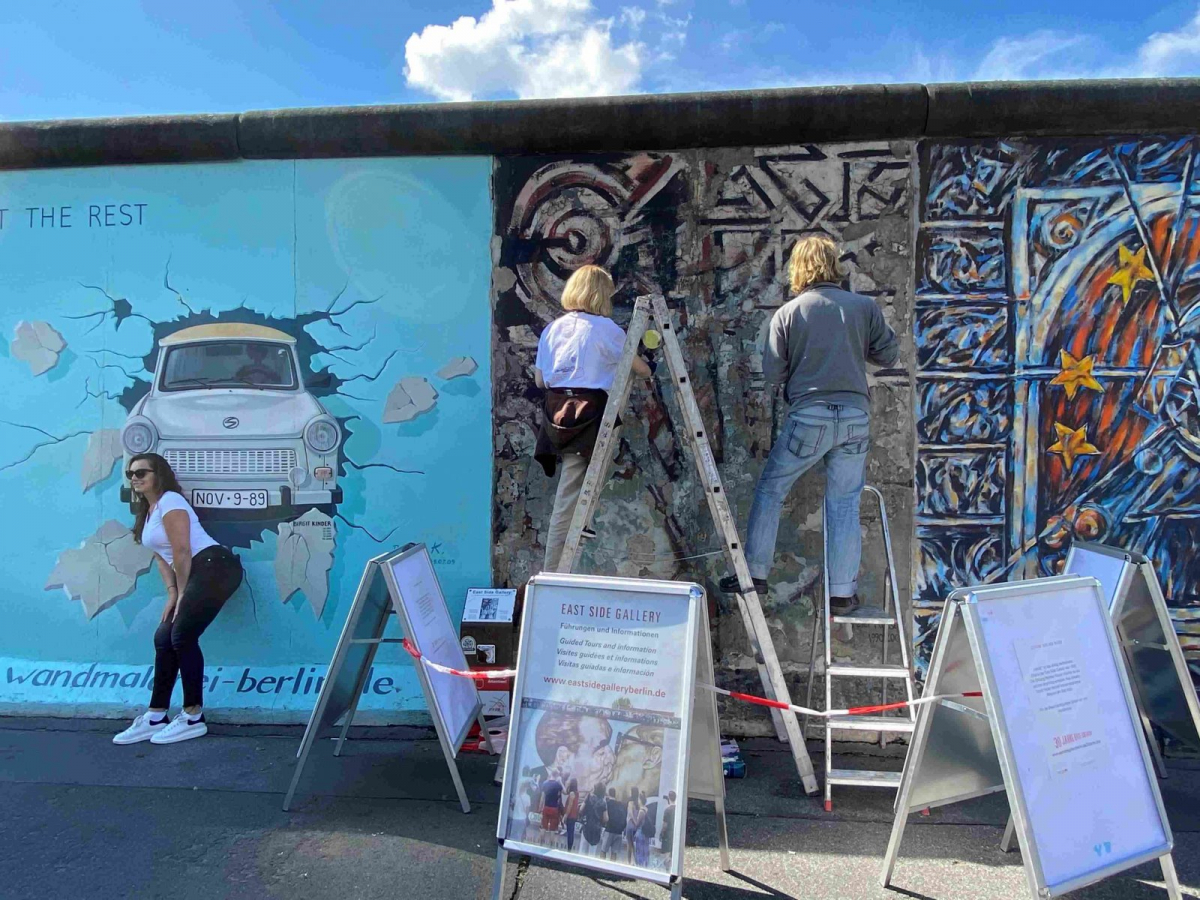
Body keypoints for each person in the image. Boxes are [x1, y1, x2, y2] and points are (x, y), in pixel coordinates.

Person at [721, 235, 899, 614]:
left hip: (810, 416)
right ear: (834, 264)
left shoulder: (789, 313)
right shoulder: (863, 307)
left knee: (771, 489)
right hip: (854, 417)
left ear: (798, 268)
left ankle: (754, 573)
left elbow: (773, 373)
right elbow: (887, 354)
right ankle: (842, 593)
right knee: (845, 503)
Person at [113, 453, 244, 745]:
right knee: (164, 637)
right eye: (130, 473)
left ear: (159, 475)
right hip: (196, 572)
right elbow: (163, 557)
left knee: (182, 635)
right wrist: (172, 593)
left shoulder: (171, 501)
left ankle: (193, 716)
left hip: (215, 566)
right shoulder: (148, 512)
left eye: (141, 472)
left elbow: (182, 550)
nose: (134, 478)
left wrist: (183, 591)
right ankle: (156, 715)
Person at [533, 265, 653, 571]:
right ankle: (553, 573)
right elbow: (641, 369)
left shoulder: (552, 329)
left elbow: (540, 381)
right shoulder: (606, 329)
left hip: (556, 412)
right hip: (589, 415)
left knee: (575, 485)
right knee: (569, 494)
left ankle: (580, 526)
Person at [579, 781, 607, 856]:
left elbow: (581, 809)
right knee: (592, 853)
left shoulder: (589, 797)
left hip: (587, 826)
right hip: (596, 829)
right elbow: (606, 818)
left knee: (582, 850)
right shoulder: (603, 802)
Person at [601, 785, 627, 860]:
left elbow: (605, 816)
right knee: (614, 853)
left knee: (603, 851)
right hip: (619, 832)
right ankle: (611, 869)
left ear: (609, 794)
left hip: (609, 830)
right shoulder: (621, 804)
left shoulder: (607, 803)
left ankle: (601, 867)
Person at [539, 770, 565, 846]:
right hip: (554, 808)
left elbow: (542, 797)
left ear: (551, 774)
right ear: (557, 775)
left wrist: (540, 808)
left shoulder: (545, 783)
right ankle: (550, 846)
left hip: (546, 807)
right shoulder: (558, 785)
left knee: (543, 827)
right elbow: (562, 795)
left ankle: (540, 845)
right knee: (552, 830)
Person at [634, 792, 653, 867]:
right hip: (646, 833)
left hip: (641, 832)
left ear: (640, 800)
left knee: (639, 851)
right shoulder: (647, 809)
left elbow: (637, 823)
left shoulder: (641, 811)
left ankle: (640, 865)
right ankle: (645, 865)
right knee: (645, 850)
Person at [563, 777, 580, 852]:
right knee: (571, 832)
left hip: (570, 816)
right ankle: (569, 848)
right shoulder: (576, 793)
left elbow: (570, 805)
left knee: (570, 833)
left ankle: (569, 849)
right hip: (574, 815)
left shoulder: (572, 793)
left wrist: (565, 816)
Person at [624, 787, 640, 864]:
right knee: (633, 844)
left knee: (629, 844)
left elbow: (630, 813)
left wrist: (634, 822)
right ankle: (635, 861)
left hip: (630, 824)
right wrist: (637, 824)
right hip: (636, 826)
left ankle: (629, 861)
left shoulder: (631, 802)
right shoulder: (638, 803)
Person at [659, 790, 677, 855]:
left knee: (666, 854)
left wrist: (661, 833)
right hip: (674, 834)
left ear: (669, 798)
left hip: (667, 835)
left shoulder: (667, 810)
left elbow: (665, 825)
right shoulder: (677, 809)